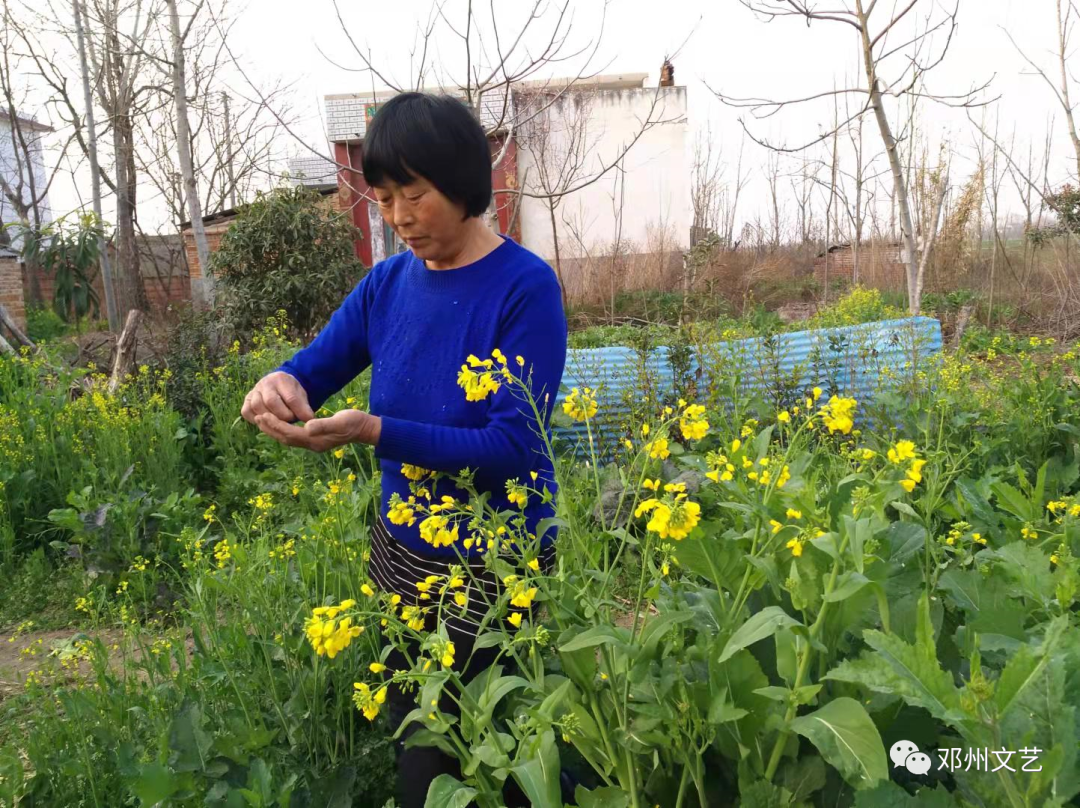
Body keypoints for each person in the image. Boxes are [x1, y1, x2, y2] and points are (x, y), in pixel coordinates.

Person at [240, 91, 568, 807]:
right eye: (383, 198)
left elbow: (515, 446)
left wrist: (374, 431)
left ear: (461, 183)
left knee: (503, 747)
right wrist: (280, 383)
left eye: (413, 193)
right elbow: (315, 367)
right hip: (403, 551)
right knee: (421, 731)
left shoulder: (524, 288)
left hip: (495, 559)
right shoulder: (387, 283)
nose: (397, 217)